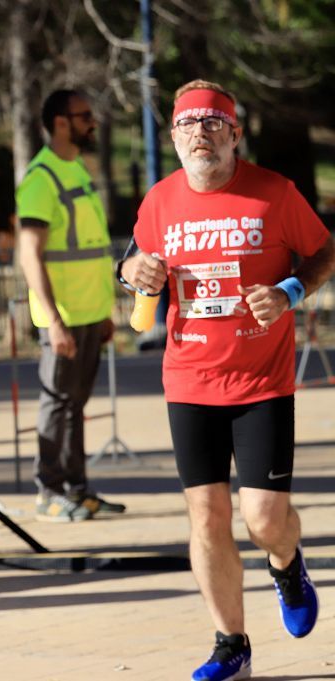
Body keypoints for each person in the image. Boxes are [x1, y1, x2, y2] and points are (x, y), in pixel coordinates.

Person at [118, 79, 334, 681]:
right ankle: (230, 644)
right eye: (188, 124)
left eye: (213, 123)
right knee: (208, 516)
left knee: (264, 520)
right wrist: (129, 268)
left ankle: (287, 563)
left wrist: (290, 291)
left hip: (262, 380)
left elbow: (322, 253)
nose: (200, 133)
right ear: (174, 138)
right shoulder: (160, 199)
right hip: (189, 378)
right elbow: (133, 262)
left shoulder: (275, 192)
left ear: (234, 135)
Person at [15, 90, 126, 522]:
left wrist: (102, 313)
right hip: (61, 317)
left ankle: (77, 490)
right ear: (60, 122)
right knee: (57, 403)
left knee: (74, 404)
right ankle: (49, 491)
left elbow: (89, 249)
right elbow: (30, 255)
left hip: (87, 313)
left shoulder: (75, 168)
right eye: (84, 116)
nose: (92, 122)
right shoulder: (42, 179)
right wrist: (56, 322)